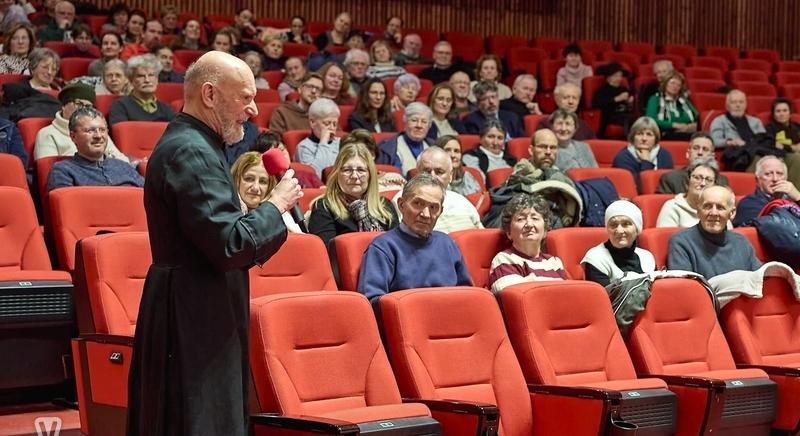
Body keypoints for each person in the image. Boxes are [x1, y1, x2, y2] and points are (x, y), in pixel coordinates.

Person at [127, 51, 302, 436]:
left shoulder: (198, 144)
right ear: (209, 94)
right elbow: (230, 245)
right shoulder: (191, 150)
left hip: (197, 306)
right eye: (244, 97)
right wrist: (276, 205)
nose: (254, 110)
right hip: (193, 315)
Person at [358, 172, 472, 299]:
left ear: (441, 211)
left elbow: (467, 295)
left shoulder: (447, 243)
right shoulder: (383, 248)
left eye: (433, 207)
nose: (426, 214)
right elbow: (372, 301)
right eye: (418, 204)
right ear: (401, 205)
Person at [308, 142, 399, 246]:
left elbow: (398, 246)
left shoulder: (385, 206)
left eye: (361, 170)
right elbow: (328, 253)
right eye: (347, 170)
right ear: (337, 174)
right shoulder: (323, 207)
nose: (354, 176)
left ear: (370, 175)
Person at [668, 185, 762, 278]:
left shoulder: (741, 242)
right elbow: (684, 288)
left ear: (732, 213)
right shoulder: (681, 242)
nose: (713, 213)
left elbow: (759, 277)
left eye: (720, 207)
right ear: (698, 211)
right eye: (707, 207)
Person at [392, 146, 483, 233]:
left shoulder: (462, 202)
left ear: (450, 175)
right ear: (417, 173)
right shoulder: (403, 199)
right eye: (426, 171)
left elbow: (482, 236)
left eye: (439, 172)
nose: (432, 176)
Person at [47, 107, 142, 191]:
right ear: (73, 136)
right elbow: (66, 208)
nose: (98, 136)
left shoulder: (124, 167)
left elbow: (150, 198)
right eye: (90, 131)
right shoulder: (63, 170)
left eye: (102, 130)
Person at [488, 193, 567, 292]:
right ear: (509, 232)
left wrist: (532, 281)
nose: (529, 224)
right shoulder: (504, 259)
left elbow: (567, 294)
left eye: (535, 218)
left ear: (545, 231)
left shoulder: (554, 262)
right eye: (521, 219)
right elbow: (513, 295)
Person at [35, 82, 127, 161]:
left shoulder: (98, 132)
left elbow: (122, 161)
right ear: (63, 106)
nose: (83, 110)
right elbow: (48, 171)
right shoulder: (48, 134)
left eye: (88, 107)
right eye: (79, 104)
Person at [582, 200, 656, 287]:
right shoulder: (596, 258)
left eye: (626, 224)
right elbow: (605, 298)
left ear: (637, 229)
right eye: (613, 225)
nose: (619, 231)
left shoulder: (647, 257)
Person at [230, 151, 302, 233]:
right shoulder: (225, 214)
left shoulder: (282, 215)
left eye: (263, 181)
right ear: (235, 180)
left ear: (269, 186)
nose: (255, 188)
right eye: (249, 179)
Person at [107, 54, 176, 126]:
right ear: (131, 80)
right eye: (141, 76)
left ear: (157, 79)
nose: (147, 80)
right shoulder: (120, 106)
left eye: (151, 75)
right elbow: (121, 134)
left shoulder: (166, 108)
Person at [733, 155, 800, 227]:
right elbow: (776, 227)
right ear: (757, 179)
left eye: (779, 173)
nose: (775, 179)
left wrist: (798, 197)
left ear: (786, 178)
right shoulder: (748, 204)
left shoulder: (794, 199)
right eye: (768, 174)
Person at [612, 116, 674, 193]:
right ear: (633, 137)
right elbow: (639, 188)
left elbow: (669, 185)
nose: (644, 138)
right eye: (639, 134)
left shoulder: (664, 155)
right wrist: (646, 162)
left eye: (649, 134)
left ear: (656, 139)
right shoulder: (622, 158)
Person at [657, 157, 722, 228]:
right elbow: (665, 237)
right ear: (688, 181)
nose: (703, 183)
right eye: (697, 178)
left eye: (708, 180)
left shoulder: (718, 210)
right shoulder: (672, 207)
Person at [657, 132, 728, 193]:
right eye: (696, 148)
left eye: (705, 149)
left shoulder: (721, 180)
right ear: (688, 154)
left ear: (712, 156)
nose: (700, 153)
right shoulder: (670, 179)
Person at [376, 102, 433, 175]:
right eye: (414, 120)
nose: (419, 125)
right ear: (405, 122)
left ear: (429, 126)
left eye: (424, 122)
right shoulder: (388, 148)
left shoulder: (434, 146)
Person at [645, 71, 698, 140]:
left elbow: (696, 116)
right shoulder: (655, 99)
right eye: (672, 83)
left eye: (678, 85)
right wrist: (674, 125)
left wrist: (692, 126)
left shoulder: (684, 101)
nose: (675, 87)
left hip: (686, 132)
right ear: (665, 83)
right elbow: (650, 120)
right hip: (664, 133)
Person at [295, 97, 341, 177]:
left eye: (335, 124)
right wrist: (323, 143)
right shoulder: (304, 147)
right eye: (327, 123)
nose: (331, 128)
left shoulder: (341, 142)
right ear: (312, 122)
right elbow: (315, 175)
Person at [764, 97, 800, 187]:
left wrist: (785, 146)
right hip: (781, 156)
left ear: (790, 113)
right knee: (797, 158)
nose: (782, 114)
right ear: (773, 114)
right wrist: (792, 147)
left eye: (785, 110)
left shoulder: (797, 127)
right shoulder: (769, 128)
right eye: (778, 111)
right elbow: (773, 145)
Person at [592, 62, 633, 137]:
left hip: (625, 113)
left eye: (620, 76)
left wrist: (630, 101)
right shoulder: (602, 90)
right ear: (608, 78)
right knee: (629, 119)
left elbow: (630, 103)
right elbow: (597, 104)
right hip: (611, 116)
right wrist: (616, 99)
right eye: (615, 76)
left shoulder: (624, 89)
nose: (619, 78)